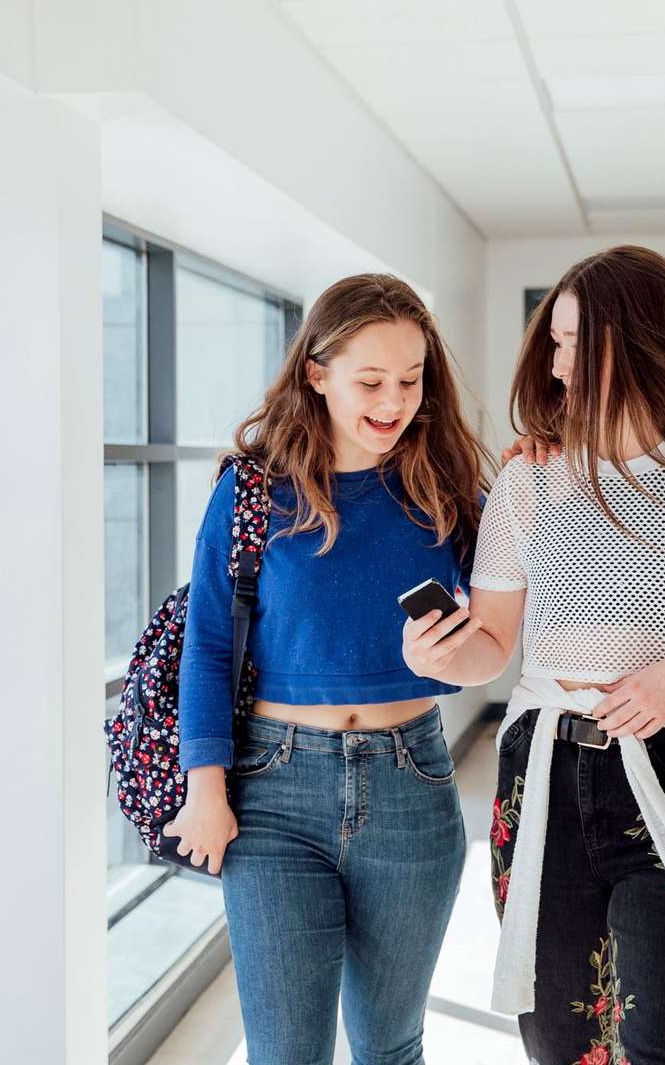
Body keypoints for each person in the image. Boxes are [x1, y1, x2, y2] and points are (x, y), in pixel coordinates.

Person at [408, 245, 665, 1064]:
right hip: (542, 778)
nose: (557, 363)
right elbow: (491, 645)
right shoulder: (530, 479)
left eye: (576, 341)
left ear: (637, 342)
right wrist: (437, 656)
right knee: (563, 1043)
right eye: (555, 341)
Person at [166, 272, 494, 1064]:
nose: (393, 402)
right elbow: (207, 644)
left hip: (409, 780)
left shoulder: (446, 489)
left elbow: (486, 641)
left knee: (388, 1045)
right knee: (286, 1052)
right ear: (315, 373)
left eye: (411, 381)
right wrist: (204, 788)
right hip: (271, 790)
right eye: (370, 380)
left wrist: (444, 661)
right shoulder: (250, 490)